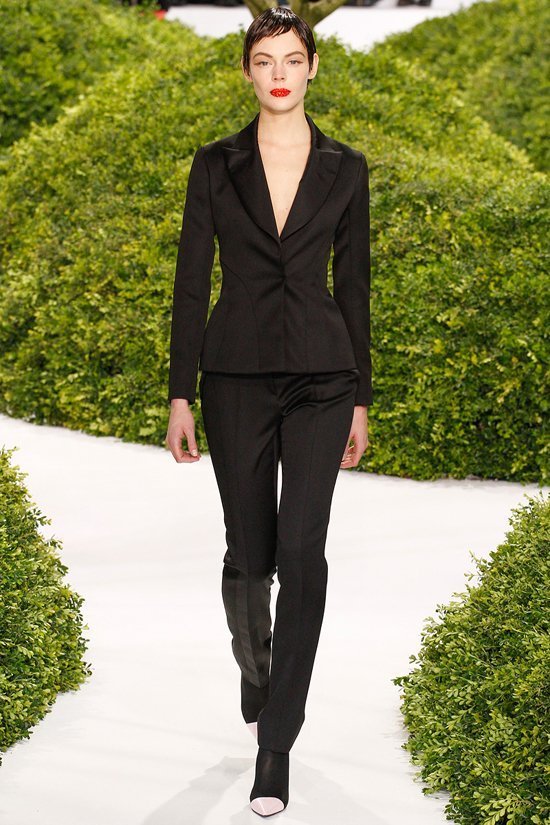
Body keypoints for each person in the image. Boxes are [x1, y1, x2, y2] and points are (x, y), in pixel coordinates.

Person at [165, 7, 372, 817]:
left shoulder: (345, 167)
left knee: (302, 550)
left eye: (292, 59)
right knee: (250, 554)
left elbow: (354, 285)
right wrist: (181, 391)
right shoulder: (215, 164)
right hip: (236, 373)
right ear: (247, 71)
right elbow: (191, 280)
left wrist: (361, 397)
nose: (279, 74)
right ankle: (257, 663)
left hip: (323, 375)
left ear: (313, 67)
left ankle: (276, 741)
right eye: (264, 61)